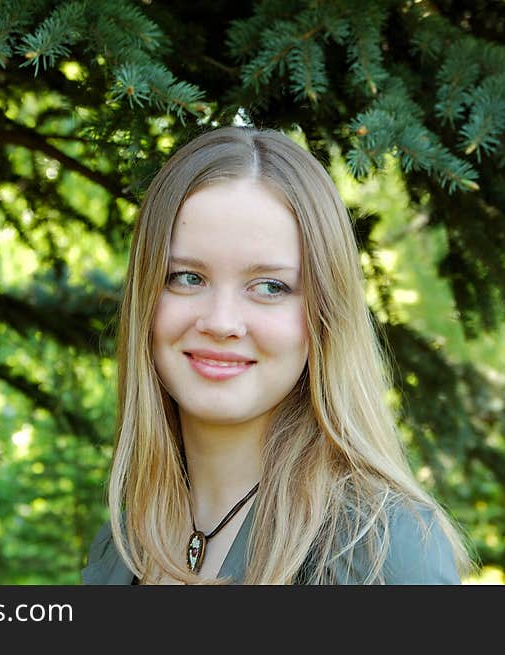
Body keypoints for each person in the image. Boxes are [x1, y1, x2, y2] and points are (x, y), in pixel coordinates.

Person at [81, 126, 473, 584]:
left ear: (324, 316)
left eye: (270, 287)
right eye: (187, 277)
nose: (221, 321)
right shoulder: (122, 546)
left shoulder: (380, 548)